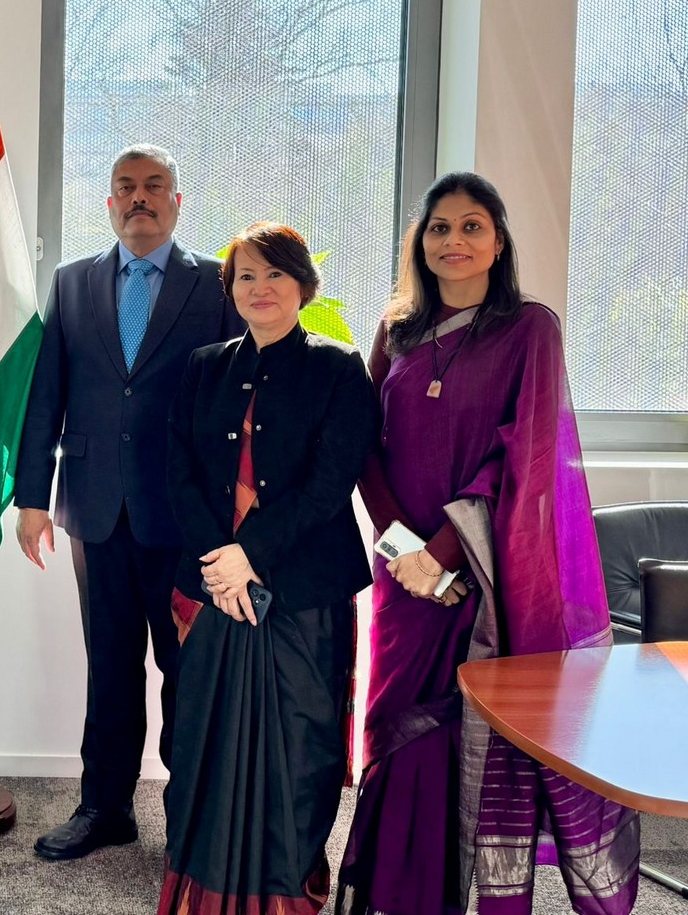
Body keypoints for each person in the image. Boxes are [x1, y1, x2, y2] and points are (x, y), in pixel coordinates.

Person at [337, 172, 639, 915]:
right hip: (404, 575)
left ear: (498, 240)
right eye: (439, 227)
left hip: (485, 577)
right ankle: (400, 894)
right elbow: (363, 447)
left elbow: (522, 454)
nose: (454, 241)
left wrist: (442, 555)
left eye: (472, 226)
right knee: (398, 726)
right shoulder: (397, 329)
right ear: (421, 243)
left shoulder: (529, 328)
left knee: (472, 724)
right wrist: (401, 551)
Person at [14, 143, 243, 860]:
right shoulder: (74, 283)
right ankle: (104, 807)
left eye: (154, 186)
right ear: (107, 203)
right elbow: (46, 390)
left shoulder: (216, 285)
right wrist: (31, 497)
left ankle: (191, 818)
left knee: (187, 673)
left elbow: (238, 403)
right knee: (110, 667)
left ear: (178, 201)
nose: (138, 198)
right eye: (125, 188)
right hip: (93, 508)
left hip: (186, 520)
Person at [161, 222, 377, 915]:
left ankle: (287, 893)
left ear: (303, 286)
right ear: (230, 289)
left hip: (305, 591)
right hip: (210, 588)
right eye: (245, 276)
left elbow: (329, 483)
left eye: (274, 274)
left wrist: (251, 554)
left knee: (299, 747)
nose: (260, 288)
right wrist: (223, 566)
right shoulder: (201, 368)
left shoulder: (340, 369)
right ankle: (203, 889)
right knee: (201, 744)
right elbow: (181, 476)